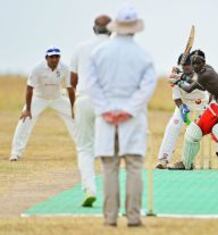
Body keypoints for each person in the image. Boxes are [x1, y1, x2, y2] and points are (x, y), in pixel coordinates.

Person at [87, 5, 157, 227]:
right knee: (134, 166)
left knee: (110, 167)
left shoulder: (99, 53)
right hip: (132, 118)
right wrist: (128, 110)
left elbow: (91, 84)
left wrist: (106, 109)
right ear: (136, 28)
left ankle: (109, 218)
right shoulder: (144, 55)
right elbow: (146, 88)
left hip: (106, 117)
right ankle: (134, 217)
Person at [156, 53, 218, 169]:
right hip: (185, 106)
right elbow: (177, 97)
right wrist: (182, 107)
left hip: (204, 105)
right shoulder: (175, 74)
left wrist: (210, 107)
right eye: (184, 65)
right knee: (173, 126)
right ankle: (164, 159)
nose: (186, 68)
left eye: (189, 65)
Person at [70, 15, 111, 207]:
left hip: (84, 99)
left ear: (94, 29)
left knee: (84, 148)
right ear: (111, 30)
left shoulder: (80, 47)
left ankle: (90, 189)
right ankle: (112, 193)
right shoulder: (115, 48)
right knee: (108, 148)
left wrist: (73, 106)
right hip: (106, 102)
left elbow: (72, 83)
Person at [9, 47, 76, 161]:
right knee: (24, 120)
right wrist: (28, 109)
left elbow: (70, 89)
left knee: (77, 118)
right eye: (52, 57)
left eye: (57, 57)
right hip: (39, 98)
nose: (54, 60)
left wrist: (73, 108)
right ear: (46, 58)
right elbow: (29, 89)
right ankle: (15, 153)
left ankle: (87, 150)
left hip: (57, 98)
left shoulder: (65, 68)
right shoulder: (37, 69)